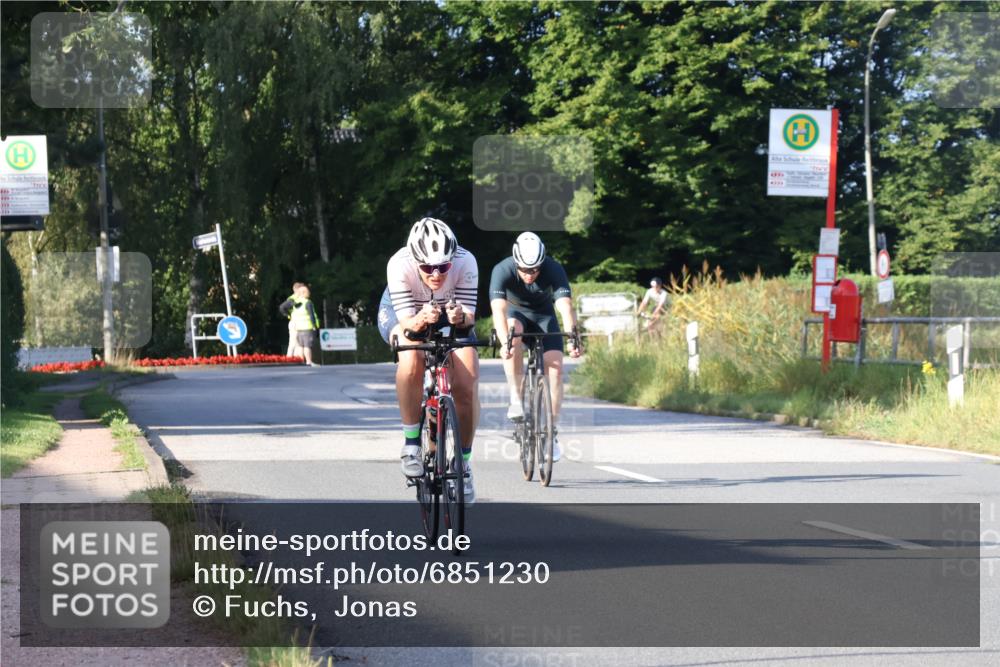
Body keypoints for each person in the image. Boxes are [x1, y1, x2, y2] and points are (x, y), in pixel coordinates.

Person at [376, 217, 480, 501]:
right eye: (428, 268)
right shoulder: (399, 264)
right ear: (415, 260)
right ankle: (411, 444)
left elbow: (469, 320)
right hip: (407, 311)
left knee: (467, 379)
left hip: (448, 312)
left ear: (452, 260)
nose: (436, 274)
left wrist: (461, 317)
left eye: (443, 267)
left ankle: (464, 463)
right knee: (411, 357)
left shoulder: (465, 260)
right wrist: (421, 319)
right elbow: (409, 326)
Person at [490, 232, 580, 463]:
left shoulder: (553, 268)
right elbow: (498, 310)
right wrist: (504, 343)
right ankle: (516, 398)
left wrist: (573, 337)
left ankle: (551, 433)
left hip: (543, 315)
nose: (530, 275)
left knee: (556, 367)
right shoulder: (503, 269)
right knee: (513, 333)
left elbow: (564, 305)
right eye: (525, 270)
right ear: (516, 262)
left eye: (535, 270)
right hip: (515, 313)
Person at [279, 284, 320, 366]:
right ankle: (307, 361)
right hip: (306, 327)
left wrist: (289, 315)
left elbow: (283, 308)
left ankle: (300, 361)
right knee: (305, 345)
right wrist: (314, 326)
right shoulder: (304, 301)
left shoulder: (296, 302)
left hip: (298, 327)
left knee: (299, 345)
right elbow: (311, 315)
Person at [285, 282, 305, 358]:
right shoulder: (292, 298)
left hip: (299, 323)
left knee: (298, 343)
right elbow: (283, 308)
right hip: (294, 323)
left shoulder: (300, 298)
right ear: (297, 290)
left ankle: (297, 359)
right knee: (293, 342)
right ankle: (289, 358)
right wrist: (289, 316)